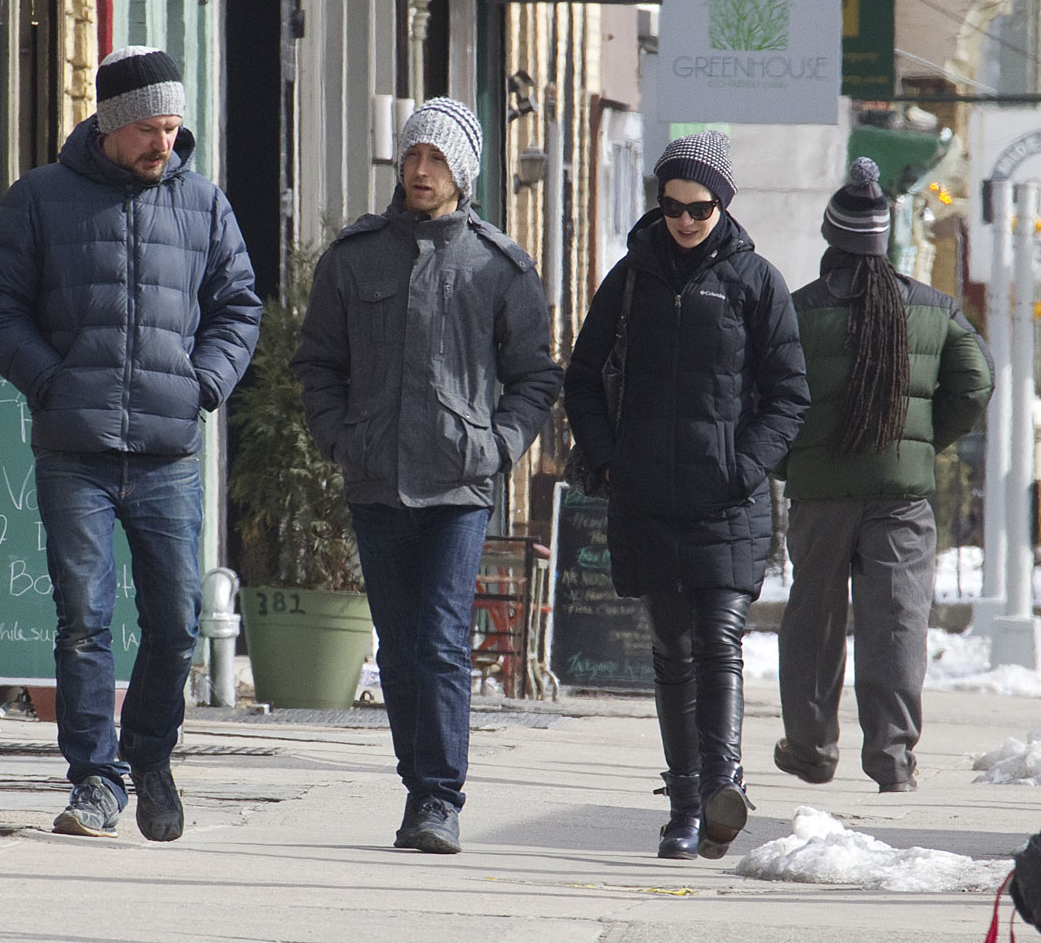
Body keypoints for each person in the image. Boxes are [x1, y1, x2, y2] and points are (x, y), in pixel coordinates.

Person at [0, 46, 262, 840]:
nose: (165, 143)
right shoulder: (39, 198)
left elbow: (239, 305)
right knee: (83, 620)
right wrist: (49, 379)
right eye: (150, 129)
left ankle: (150, 751)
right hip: (76, 448)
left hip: (168, 450)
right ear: (111, 124)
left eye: (173, 127)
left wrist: (202, 383)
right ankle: (96, 780)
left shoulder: (204, 205)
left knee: (176, 618)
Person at [291, 97, 562, 854]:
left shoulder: (498, 266)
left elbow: (536, 377)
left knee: (441, 639)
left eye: (436, 159)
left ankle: (440, 796)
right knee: (401, 645)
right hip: (376, 478)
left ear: (462, 171)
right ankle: (419, 787)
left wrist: (497, 445)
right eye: (413, 155)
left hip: (458, 485)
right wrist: (339, 438)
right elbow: (318, 364)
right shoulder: (354, 257)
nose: (419, 170)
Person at [564, 130, 809, 860]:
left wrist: (745, 465)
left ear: (722, 204)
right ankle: (683, 805)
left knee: (719, 643)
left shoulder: (755, 281)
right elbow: (580, 376)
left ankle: (721, 787)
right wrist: (608, 460)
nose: (683, 220)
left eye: (699, 207)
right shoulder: (631, 277)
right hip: (647, 498)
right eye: (671, 205)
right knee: (671, 653)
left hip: (728, 501)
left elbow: (790, 396)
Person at [774, 157, 993, 794]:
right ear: (885, 238)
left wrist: (792, 463)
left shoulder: (797, 311)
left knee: (812, 620)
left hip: (819, 493)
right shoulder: (935, 308)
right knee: (896, 619)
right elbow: (976, 381)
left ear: (831, 238)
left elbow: (763, 398)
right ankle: (892, 759)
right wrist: (922, 443)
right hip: (901, 497)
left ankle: (812, 749)